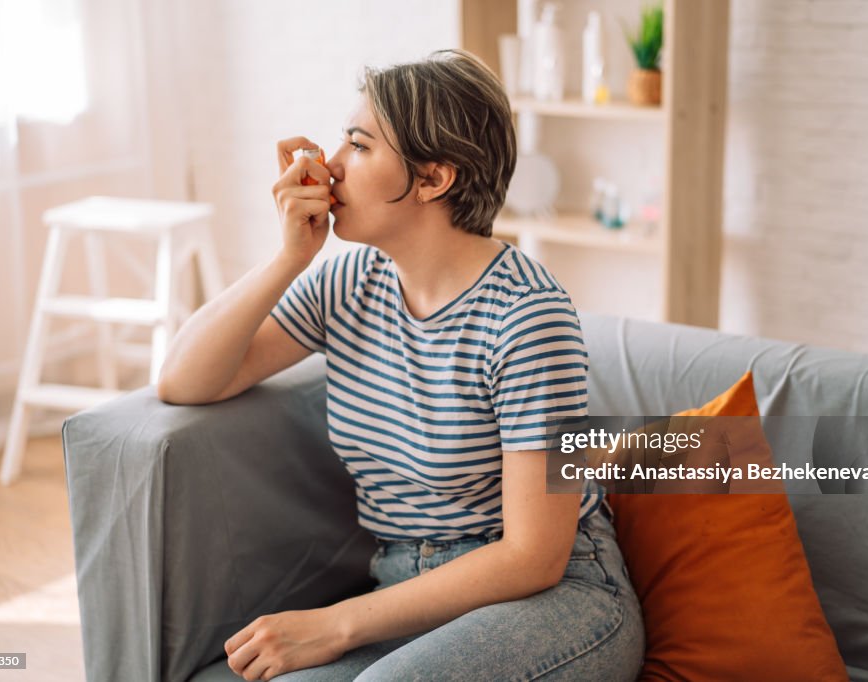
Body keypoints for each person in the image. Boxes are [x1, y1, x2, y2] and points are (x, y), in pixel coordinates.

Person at [157, 49, 644, 681]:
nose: (328, 167)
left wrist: (335, 624)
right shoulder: (350, 282)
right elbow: (184, 380)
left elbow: (533, 556)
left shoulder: (526, 316)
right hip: (407, 596)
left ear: (433, 179)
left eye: (359, 147)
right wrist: (287, 260)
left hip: (558, 599)